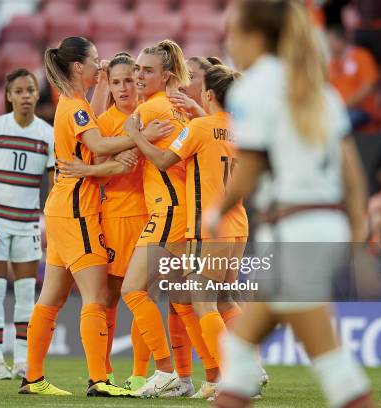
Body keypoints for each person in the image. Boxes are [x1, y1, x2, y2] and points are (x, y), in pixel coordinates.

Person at [208, 1, 374, 407]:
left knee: (332, 364)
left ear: (256, 36)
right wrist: (357, 237)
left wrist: (215, 211)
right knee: (241, 348)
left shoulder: (253, 88)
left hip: (292, 230)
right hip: (322, 225)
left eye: (234, 34)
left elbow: (249, 168)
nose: (230, 44)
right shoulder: (319, 87)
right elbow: (352, 176)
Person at [19, 36, 162, 397]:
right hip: (77, 212)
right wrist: (138, 139)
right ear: (77, 66)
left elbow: (95, 151)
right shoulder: (75, 108)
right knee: (98, 296)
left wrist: (110, 160)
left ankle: (33, 377)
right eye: (96, 61)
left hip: (60, 208)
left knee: (51, 297)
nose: (101, 65)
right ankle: (99, 379)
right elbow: (97, 146)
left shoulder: (75, 103)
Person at [127, 64, 251, 399]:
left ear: (209, 95)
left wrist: (137, 136)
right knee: (224, 299)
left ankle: (234, 377)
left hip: (209, 228)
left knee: (203, 305)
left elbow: (165, 160)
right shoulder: (243, 130)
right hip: (239, 225)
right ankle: (248, 368)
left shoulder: (200, 127)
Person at [56, 52, 175, 393]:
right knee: (108, 298)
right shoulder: (104, 122)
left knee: (143, 296)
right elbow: (102, 172)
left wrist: (114, 162)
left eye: (129, 80)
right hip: (110, 216)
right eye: (116, 81)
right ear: (109, 84)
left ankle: (140, 373)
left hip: (147, 215)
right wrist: (108, 165)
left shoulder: (147, 115)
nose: (124, 87)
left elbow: (118, 165)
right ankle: (103, 373)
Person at [117, 39, 193, 397]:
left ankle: (164, 370)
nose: (139, 76)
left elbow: (114, 147)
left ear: (165, 75)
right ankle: (199, 376)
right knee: (182, 298)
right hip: (181, 210)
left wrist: (132, 134)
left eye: (147, 71)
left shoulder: (153, 110)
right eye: (137, 69)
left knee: (132, 290)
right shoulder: (175, 108)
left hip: (167, 211)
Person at [0, 68, 54, 381]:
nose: (25, 96)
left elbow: (53, 183)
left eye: (30, 90)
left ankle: (21, 360)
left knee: (25, 295)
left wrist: (50, 221)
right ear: (8, 96)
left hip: (28, 224)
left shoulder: (47, 134)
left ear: (36, 94)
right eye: (18, 91)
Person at [327, 25, 380, 131]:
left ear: (340, 40)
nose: (328, 45)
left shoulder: (361, 56)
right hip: (337, 110)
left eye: (331, 41)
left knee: (337, 125)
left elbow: (369, 86)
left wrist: (343, 105)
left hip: (361, 110)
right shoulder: (332, 62)